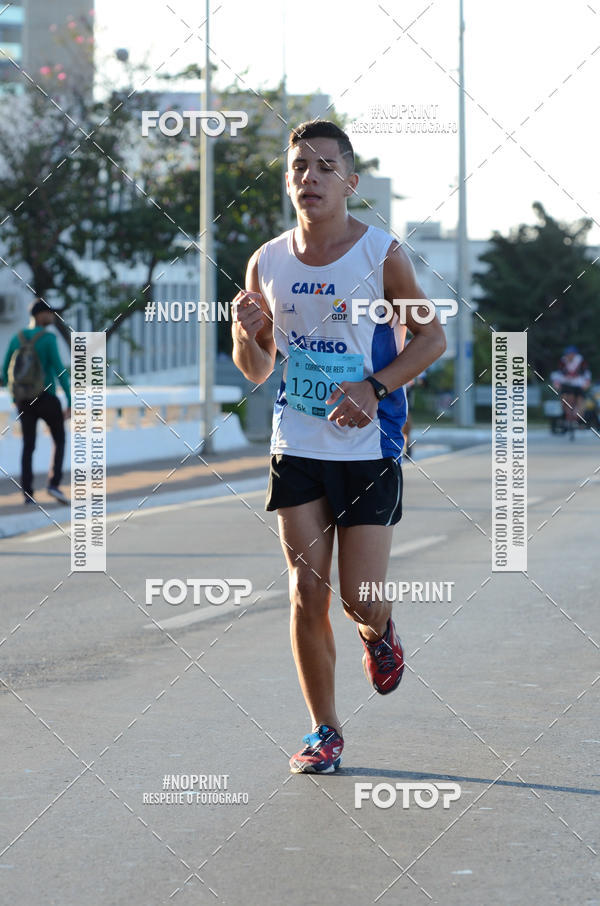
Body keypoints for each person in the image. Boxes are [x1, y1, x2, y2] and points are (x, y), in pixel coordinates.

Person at [231, 121, 446, 773]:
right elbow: (256, 369)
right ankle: (325, 730)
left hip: (367, 449)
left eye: (326, 166)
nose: (310, 177)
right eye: (299, 166)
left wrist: (374, 387)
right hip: (295, 443)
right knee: (306, 589)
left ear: (350, 183)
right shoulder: (266, 261)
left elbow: (431, 340)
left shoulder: (381, 255)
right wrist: (248, 332)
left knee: (358, 597)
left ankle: (380, 632)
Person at [2, 298, 71, 505]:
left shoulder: (17, 337)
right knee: (59, 439)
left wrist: (15, 397)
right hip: (47, 397)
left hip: (24, 401)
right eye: (48, 312)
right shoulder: (48, 338)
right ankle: (53, 484)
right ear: (39, 315)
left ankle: (27, 494)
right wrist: (69, 399)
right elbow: (59, 370)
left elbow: (5, 370)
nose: (51, 316)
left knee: (28, 446)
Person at [551, 345, 591, 428]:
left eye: (571, 354)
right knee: (565, 398)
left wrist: (586, 383)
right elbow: (558, 374)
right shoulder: (563, 362)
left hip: (579, 385)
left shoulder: (581, 362)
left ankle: (577, 417)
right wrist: (557, 383)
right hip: (567, 385)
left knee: (581, 402)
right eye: (568, 354)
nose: (569, 356)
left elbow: (586, 374)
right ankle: (568, 415)